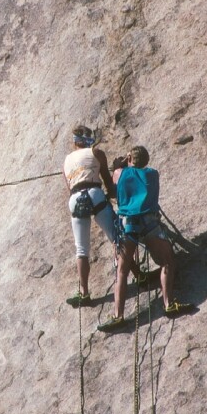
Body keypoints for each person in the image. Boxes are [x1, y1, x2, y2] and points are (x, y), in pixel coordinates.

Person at [98, 146, 194, 332]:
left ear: (129, 159)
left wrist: (119, 165)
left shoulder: (120, 173)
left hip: (127, 225)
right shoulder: (153, 174)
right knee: (168, 262)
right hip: (150, 223)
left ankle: (118, 316)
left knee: (122, 271)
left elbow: (112, 190)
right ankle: (169, 303)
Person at [62, 126, 146, 307]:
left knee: (81, 248)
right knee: (117, 238)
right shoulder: (97, 153)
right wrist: (118, 171)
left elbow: (70, 187)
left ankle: (84, 292)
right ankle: (139, 276)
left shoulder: (67, 160)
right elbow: (109, 185)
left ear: (75, 142)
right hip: (94, 194)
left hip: (75, 199)